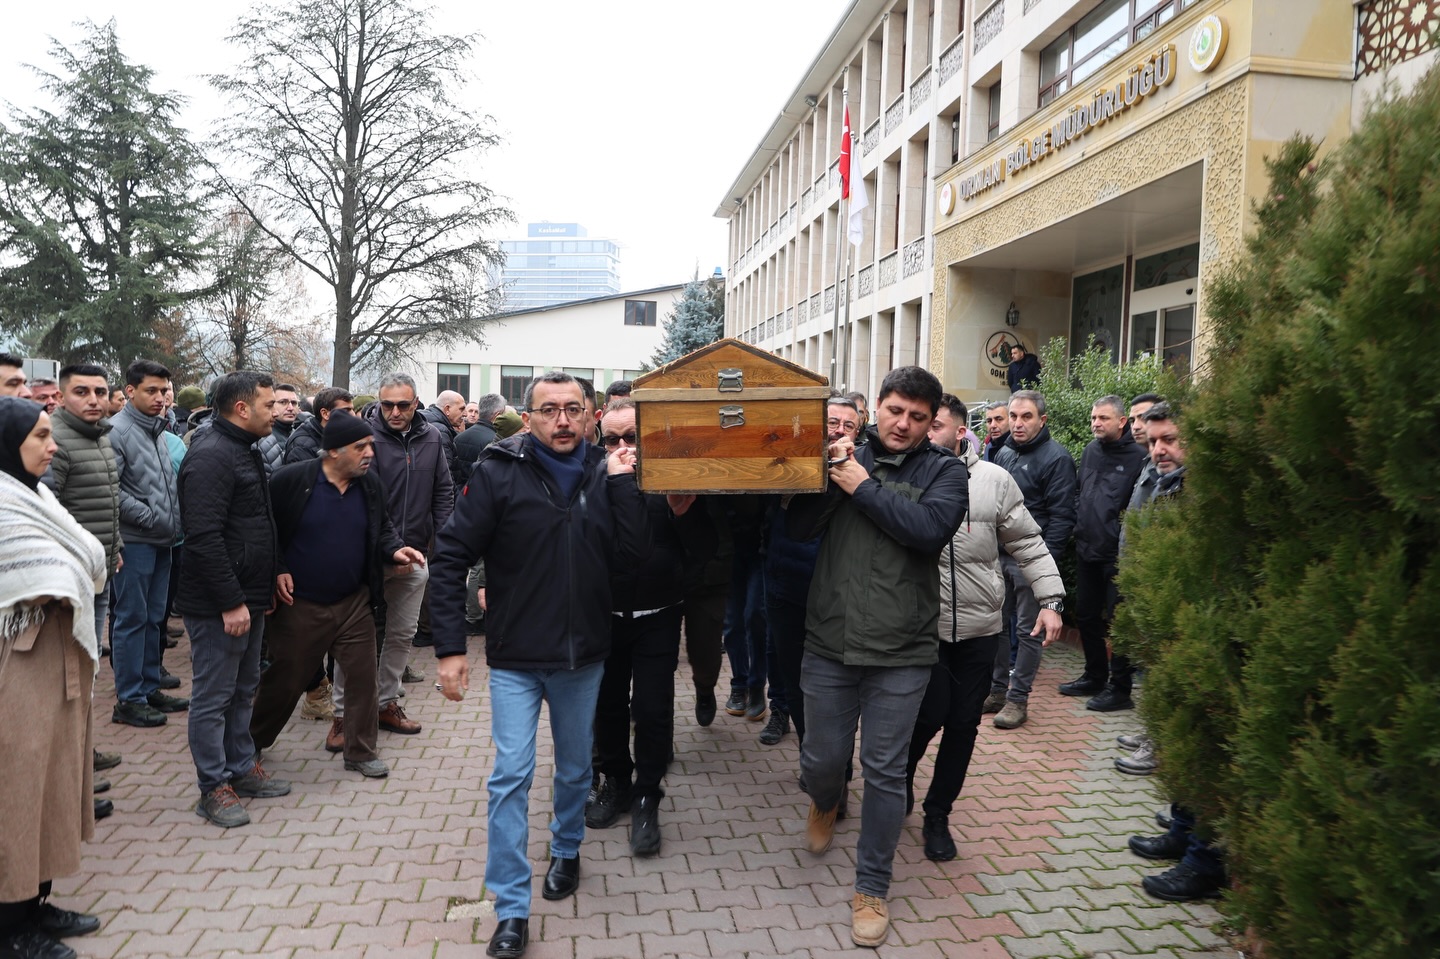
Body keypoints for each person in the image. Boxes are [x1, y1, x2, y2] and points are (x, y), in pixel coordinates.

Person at [428, 371, 646, 959]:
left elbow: (634, 557)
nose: (562, 420)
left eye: (573, 408)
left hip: (583, 656)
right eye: (549, 410)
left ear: (592, 415)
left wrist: (624, 487)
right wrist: (450, 648)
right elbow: (449, 556)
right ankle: (510, 908)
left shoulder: (608, 472)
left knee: (575, 771)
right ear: (528, 419)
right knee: (511, 776)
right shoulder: (499, 471)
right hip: (517, 657)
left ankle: (567, 849)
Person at [787, 366, 969, 948]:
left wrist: (861, 486)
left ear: (931, 422)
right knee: (822, 758)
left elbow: (927, 531)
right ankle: (824, 799)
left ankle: (872, 886)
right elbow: (795, 528)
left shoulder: (945, 471)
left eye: (918, 417)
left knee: (885, 771)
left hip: (903, 650)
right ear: (876, 409)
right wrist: (825, 475)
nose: (904, 424)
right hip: (830, 640)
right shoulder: (842, 455)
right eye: (895, 411)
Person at [906, 416, 1062, 860]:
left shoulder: (994, 479)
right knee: (927, 715)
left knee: (962, 724)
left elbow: (1027, 541)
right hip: (923, 628)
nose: (926, 430)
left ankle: (938, 814)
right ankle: (899, 780)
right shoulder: (906, 475)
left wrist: (1051, 599)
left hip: (980, 628)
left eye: (936, 423)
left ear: (961, 432)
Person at [250, 413, 425, 780]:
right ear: (333, 451)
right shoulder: (291, 481)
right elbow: (266, 531)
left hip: (354, 602)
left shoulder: (370, 485)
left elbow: (383, 528)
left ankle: (360, 751)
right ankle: (251, 743)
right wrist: (278, 568)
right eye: (360, 447)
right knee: (286, 680)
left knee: (363, 678)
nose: (369, 454)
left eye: (370, 446)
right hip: (301, 604)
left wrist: (395, 550)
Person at [0, 397, 108, 959]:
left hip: (61, 652)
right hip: (20, 660)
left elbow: (84, 561)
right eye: (40, 436)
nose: (52, 445)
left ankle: (37, 903)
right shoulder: (3, 503)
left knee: (55, 783)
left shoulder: (37, 496)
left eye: (50, 434)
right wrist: (67, 573)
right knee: (18, 788)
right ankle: (9, 925)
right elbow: (48, 574)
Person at [176, 371, 289, 828]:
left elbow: (258, 522)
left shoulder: (245, 448)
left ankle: (241, 767)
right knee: (214, 695)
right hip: (218, 604)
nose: (276, 411)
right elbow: (203, 538)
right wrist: (229, 601)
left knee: (244, 688)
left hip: (248, 595)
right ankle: (213, 786)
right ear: (242, 409)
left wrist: (273, 573)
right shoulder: (212, 456)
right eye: (268, 404)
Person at [585, 398, 685, 857]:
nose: (622, 447)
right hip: (605, 613)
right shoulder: (593, 478)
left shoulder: (671, 475)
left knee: (651, 707)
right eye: (612, 439)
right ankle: (617, 782)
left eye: (632, 437)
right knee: (607, 705)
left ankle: (648, 794)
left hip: (658, 612)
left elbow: (700, 545)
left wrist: (686, 514)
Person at [331, 373, 451, 745]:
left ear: (416, 403)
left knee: (402, 634)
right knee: (353, 637)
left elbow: (442, 491)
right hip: (369, 557)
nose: (395, 412)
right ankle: (341, 715)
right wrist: (386, 548)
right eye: (387, 405)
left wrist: (441, 543)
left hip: (415, 555)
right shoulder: (364, 438)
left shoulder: (432, 437)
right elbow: (352, 498)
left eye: (402, 404)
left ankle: (386, 703)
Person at [761, 397, 864, 750]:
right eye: (832, 422)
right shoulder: (791, 459)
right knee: (793, 676)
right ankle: (811, 755)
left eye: (848, 425)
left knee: (835, 683)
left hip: (836, 597)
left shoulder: (863, 471)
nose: (839, 430)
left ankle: (838, 762)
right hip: (786, 587)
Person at [987, 389, 1076, 729]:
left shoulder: (1057, 458)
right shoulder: (1005, 452)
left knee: (1028, 632)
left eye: (1026, 417)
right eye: (1013, 416)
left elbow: (1062, 518)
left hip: (1030, 561)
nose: (1018, 423)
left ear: (1042, 420)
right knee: (995, 627)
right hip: (998, 557)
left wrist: (1042, 568)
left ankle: (1018, 700)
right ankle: (996, 691)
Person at [108, 360, 186, 728]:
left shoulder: (156, 429)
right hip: (136, 541)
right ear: (130, 391)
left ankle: (149, 686)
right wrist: (149, 516)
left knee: (155, 618)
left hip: (162, 540)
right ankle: (130, 699)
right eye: (151, 390)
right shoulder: (117, 431)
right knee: (132, 619)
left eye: (163, 390)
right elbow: (112, 490)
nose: (160, 398)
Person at [1061, 395, 1149, 712]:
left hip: (1117, 555)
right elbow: (1079, 492)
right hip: (1087, 548)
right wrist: (1078, 522)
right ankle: (1094, 676)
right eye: (1093, 418)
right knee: (1086, 615)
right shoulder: (1090, 451)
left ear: (1122, 422)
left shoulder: (1139, 456)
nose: (1096, 423)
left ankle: (1120, 688)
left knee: (1117, 621)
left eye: (1103, 418)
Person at [283, 387, 353, 465]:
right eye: (346, 410)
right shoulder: (301, 447)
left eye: (352, 409)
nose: (353, 415)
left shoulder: (340, 436)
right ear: (325, 414)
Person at [256, 383, 302, 477]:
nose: (290, 408)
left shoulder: (301, 436)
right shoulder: (259, 438)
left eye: (294, 403)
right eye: (283, 402)